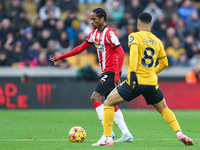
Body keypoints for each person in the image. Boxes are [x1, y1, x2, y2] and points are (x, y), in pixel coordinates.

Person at [92, 12, 194, 146]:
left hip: (135, 80)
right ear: (151, 24)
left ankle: (107, 138)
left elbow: (134, 53)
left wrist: (133, 72)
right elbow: (165, 63)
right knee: (164, 108)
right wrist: (152, 72)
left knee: (108, 102)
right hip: (151, 82)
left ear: (138, 24)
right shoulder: (157, 41)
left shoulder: (134, 36)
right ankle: (179, 132)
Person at [50, 8, 133, 143]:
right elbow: (80, 48)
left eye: (94, 19)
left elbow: (121, 53)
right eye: (91, 19)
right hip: (106, 72)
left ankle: (108, 134)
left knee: (95, 98)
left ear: (102, 19)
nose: (92, 22)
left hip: (111, 72)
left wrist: (117, 74)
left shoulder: (109, 33)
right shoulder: (94, 34)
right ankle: (126, 134)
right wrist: (61, 56)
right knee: (111, 103)